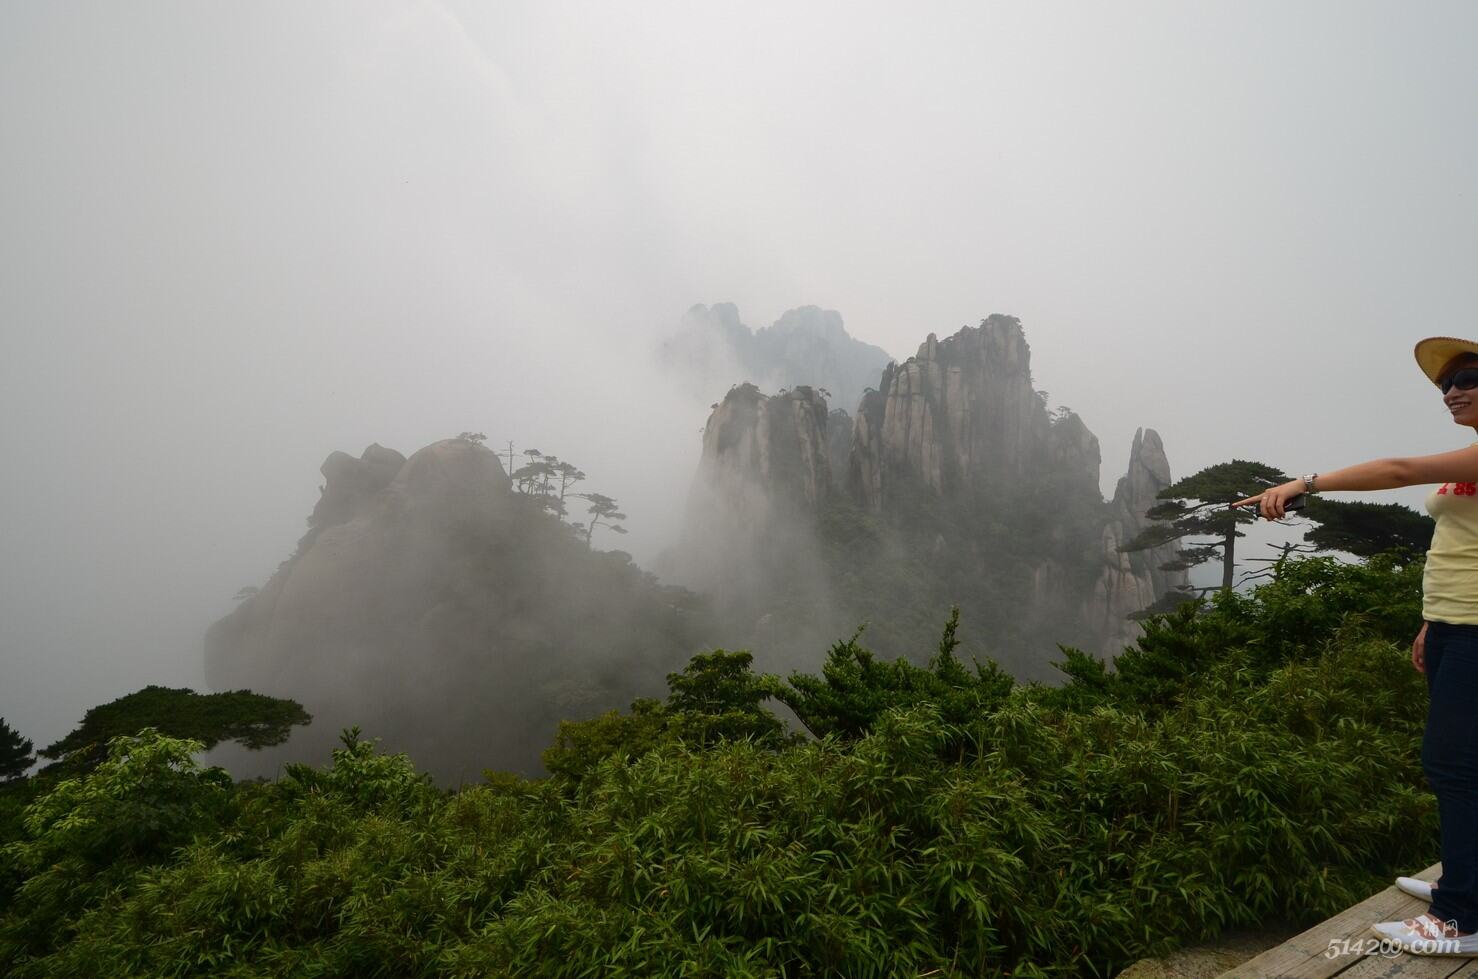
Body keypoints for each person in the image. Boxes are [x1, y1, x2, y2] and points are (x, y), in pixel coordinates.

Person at [1232, 336, 1478, 957]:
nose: (1453, 391)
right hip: (1456, 624)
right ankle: (1466, 882)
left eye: (1470, 378)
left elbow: (1398, 472)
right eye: (1446, 384)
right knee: (1462, 763)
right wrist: (1433, 621)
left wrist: (1305, 483)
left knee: (1454, 764)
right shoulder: (1470, 456)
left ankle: (1462, 919)